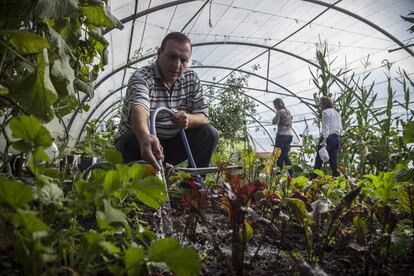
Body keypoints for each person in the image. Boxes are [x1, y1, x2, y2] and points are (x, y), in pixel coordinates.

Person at [114, 32, 219, 171]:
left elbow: (203, 116)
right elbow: (139, 108)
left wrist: (187, 119)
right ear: (159, 53)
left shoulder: (191, 79)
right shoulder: (142, 77)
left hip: (167, 148)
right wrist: (145, 137)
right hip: (139, 145)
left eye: (183, 60)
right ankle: (136, 184)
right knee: (134, 137)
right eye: (172, 56)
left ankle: (192, 187)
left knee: (208, 133)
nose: (177, 65)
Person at [312, 96, 342, 178]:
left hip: (328, 138)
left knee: (318, 161)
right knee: (334, 162)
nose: (320, 106)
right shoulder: (337, 113)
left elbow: (326, 127)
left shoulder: (325, 112)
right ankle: (338, 180)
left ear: (324, 104)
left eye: (321, 104)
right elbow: (340, 127)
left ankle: (312, 179)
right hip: (336, 138)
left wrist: (324, 140)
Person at [272, 98, 294, 176]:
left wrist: (274, 119)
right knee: (285, 156)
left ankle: (279, 174)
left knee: (278, 155)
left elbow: (275, 122)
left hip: (281, 135)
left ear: (277, 105)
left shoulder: (279, 112)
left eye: (275, 105)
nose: (275, 107)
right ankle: (292, 174)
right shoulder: (288, 112)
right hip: (289, 135)